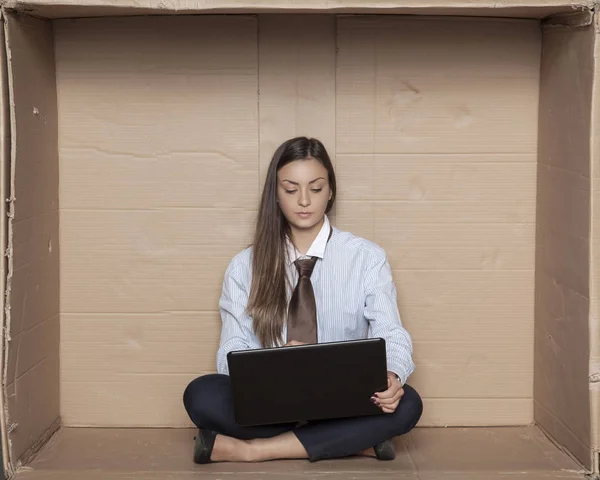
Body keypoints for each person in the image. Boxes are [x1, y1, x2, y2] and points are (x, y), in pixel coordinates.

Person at [183, 137, 422, 464]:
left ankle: (253, 450)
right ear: (276, 195)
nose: (305, 200)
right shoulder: (244, 266)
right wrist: (276, 366)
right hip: (273, 400)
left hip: (344, 399)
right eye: (291, 189)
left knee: (408, 404)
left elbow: (391, 331)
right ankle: (354, 441)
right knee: (201, 395)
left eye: (316, 188)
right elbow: (231, 349)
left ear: (331, 191)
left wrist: (393, 375)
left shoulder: (366, 257)